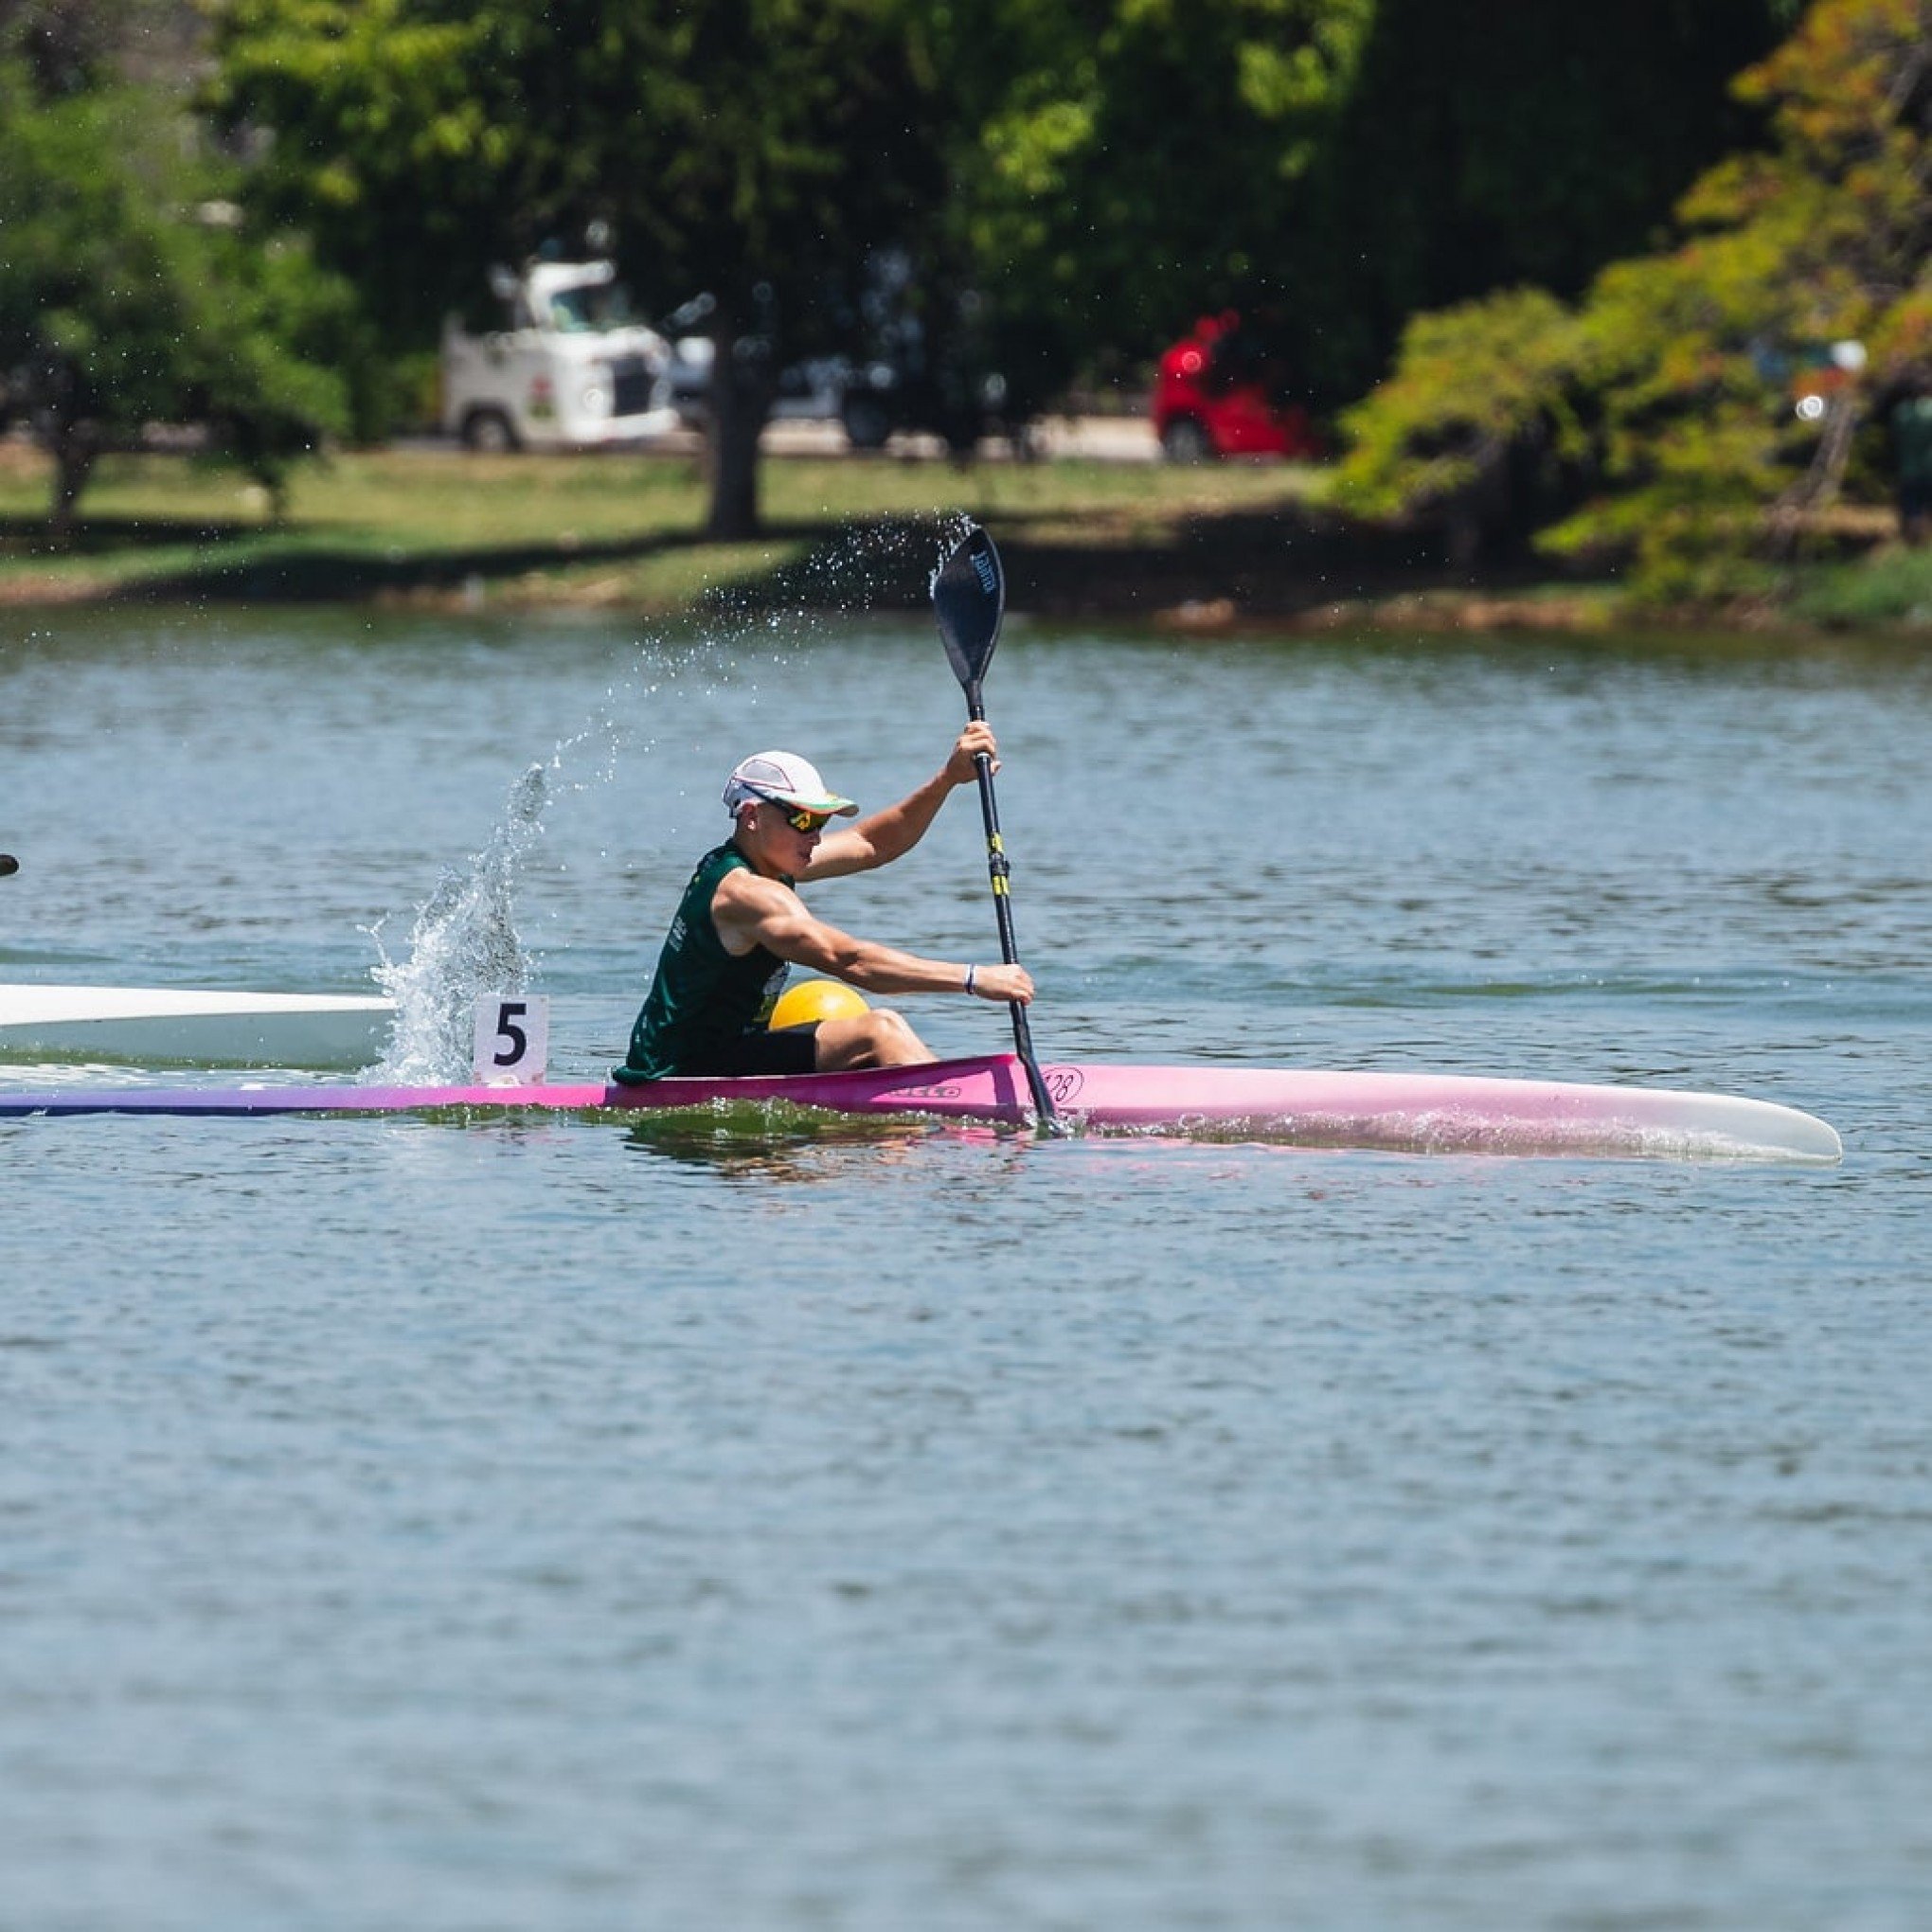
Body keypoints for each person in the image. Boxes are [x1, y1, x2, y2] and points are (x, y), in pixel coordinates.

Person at [615, 724, 1034, 1082]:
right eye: (801, 820)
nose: (813, 835)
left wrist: (947, 778)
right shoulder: (747, 894)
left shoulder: (769, 862)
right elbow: (847, 959)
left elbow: (872, 843)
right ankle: (954, 1122)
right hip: (678, 1074)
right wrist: (974, 978)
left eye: (820, 821)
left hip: (726, 1051)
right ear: (751, 816)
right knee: (880, 1031)